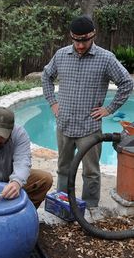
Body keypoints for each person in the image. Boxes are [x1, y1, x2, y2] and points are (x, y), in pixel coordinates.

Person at [42, 15, 133, 219]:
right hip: (64, 125)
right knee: (63, 168)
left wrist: (108, 109)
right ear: (71, 38)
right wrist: (53, 102)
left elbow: (126, 83)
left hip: (89, 128)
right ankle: (63, 203)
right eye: (76, 40)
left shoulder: (105, 58)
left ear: (93, 36)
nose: (80, 45)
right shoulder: (61, 55)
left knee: (90, 171)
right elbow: (46, 76)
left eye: (84, 41)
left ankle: (90, 208)